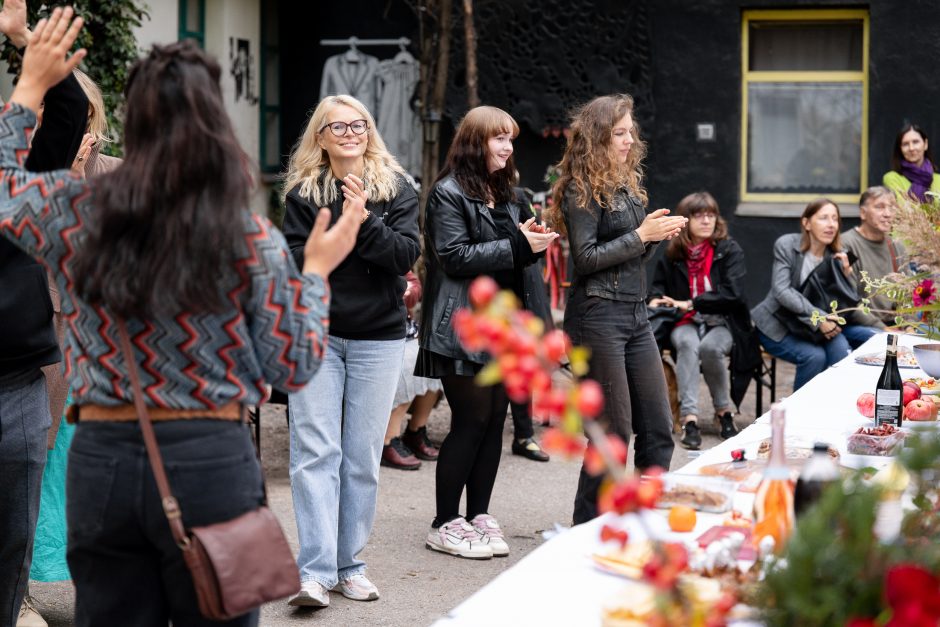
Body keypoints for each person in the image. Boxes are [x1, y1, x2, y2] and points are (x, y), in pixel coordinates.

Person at [0, 15, 360, 626]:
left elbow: (8, 193)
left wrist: (30, 85)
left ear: (134, 124)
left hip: (105, 457)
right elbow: (291, 367)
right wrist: (318, 273)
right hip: (212, 460)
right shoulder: (247, 237)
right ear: (215, 126)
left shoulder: (80, 212)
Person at [281, 94, 420, 606]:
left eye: (357, 125)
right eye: (337, 127)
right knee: (315, 453)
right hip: (315, 333)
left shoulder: (397, 187)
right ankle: (315, 572)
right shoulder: (303, 192)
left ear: (370, 130)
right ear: (320, 137)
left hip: (378, 339)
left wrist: (364, 220)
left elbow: (405, 256)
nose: (349, 134)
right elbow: (296, 260)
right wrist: (340, 224)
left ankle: (350, 565)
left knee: (360, 457)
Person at [417, 105, 557, 559]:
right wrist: (519, 244)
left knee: (495, 421)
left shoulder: (511, 195)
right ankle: (444, 522)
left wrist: (531, 240)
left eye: (511, 139)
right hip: (462, 326)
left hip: (505, 327)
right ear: (476, 142)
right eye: (499, 138)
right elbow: (454, 256)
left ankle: (477, 515)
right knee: (471, 420)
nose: (507, 147)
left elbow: (511, 258)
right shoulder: (448, 193)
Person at [548, 94, 686, 525]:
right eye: (620, 133)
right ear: (598, 137)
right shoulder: (579, 188)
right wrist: (642, 234)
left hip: (634, 314)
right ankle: (588, 529)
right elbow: (585, 259)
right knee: (612, 434)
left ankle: (646, 519)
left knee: (659, 428)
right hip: (597, 316)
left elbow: (631, 258)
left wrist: (655, 235)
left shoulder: (625, 182)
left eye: (631, 132)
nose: (630, 140)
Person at [648, 191, 750, 450]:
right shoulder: (673, 255)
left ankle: (724, 412)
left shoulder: (728, 250)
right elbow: (657, 288)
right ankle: (689, 419)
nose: (706, 221)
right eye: (698, 215)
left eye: (711, 215)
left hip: (723, 321)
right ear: (686, 220)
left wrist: (694, 302)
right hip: (684, 321)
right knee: (686, 344)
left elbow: (733, 294)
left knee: (711, 348)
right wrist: (657, 300)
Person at [751, 199, 879, 391]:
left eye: (835, 219)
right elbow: (782, 291)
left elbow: (852, 302)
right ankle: (797, 415)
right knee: (814, 357)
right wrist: (819, 318)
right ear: (807, 223)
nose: (831, 224)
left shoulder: (841, 254)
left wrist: (847, 275)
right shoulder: (786, 244)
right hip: (778, 323)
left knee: (855, 346)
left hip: (815, 327)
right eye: (823, 218)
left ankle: (838, 407)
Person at [381, 270, 442, 471]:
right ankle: (388, 439)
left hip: (404, 329)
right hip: (376, 334)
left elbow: (414, 283)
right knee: (409, 366)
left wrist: (406, 292)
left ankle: (416, 429)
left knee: (434, 359)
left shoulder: (394, 248)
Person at [840, 186, 905, 326]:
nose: (887, 214)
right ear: (863, 213)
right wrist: (882, 329)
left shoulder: (896, 245)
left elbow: (909, 294)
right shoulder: (847, 245)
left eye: (892, 207)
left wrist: (910, 325)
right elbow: (849, 299)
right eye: (880, 207)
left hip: (896, 323)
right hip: (861, 325)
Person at [882, 123, 940, 203]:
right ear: (900, 149)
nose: (911, 148)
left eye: (915, 142)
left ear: (925, 144)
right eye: (905, 144)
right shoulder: (892, 178)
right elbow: (903, 210)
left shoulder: (938, 179)